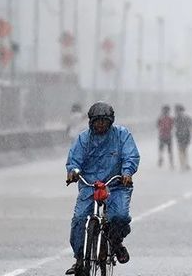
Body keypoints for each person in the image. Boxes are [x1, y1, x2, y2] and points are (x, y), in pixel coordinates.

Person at [64, 102, 140, 275]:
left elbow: (131, 155)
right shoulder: (84, 139)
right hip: (90, 186)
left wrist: (127, 172)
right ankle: (79, 259)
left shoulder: (122, 136)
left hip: (117, 185)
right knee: (79, 219)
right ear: (91, 122)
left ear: (110, 121)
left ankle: (115, 242)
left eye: (104, 121)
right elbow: (74, 160)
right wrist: (73, 172)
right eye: (97, 121)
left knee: (119, 216)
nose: (100, 124)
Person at [174, 104, 192, 171]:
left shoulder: (176, 118)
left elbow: (175, 127)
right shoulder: (188, 118)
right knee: (184, 151)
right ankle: (185, 164)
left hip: (181, 136)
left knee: (181, 151)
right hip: (186, 136)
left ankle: (183, 164)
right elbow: (190, 126)